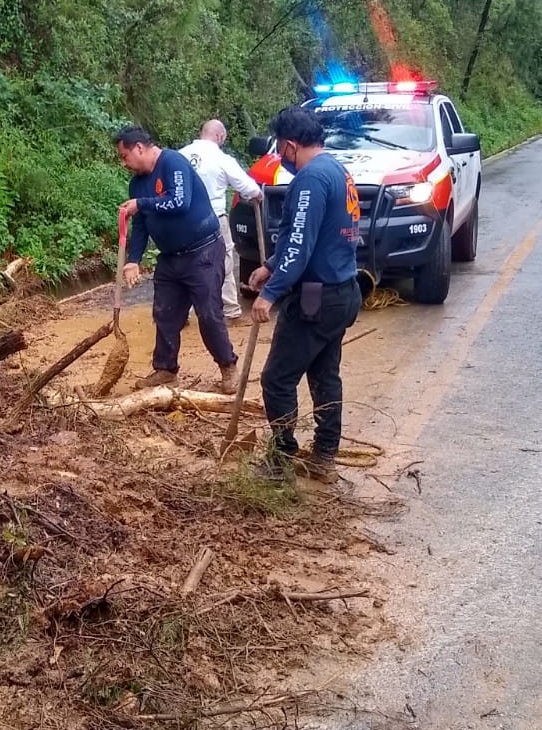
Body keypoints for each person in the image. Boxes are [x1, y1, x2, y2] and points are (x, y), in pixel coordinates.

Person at [247, 106, 361, 478]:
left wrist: (270, 293)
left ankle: (280, 460)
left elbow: (299, 245)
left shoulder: (310, 180)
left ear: (291, 145)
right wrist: (270, 265)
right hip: (344, 289)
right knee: (325, 375)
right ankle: (325, 456)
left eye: (281, 149)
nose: (281, 157)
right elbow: (311, 234)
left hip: (315, 295)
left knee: (277, 378)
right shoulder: (337, 171)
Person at [115, 125, 240, 393]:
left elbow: (179, 202)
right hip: (171, 258)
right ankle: (165, 369)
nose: (124, 163)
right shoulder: (137, 183)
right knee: (165, 314)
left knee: (209, 314)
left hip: (203, 252)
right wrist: (133, 260)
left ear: (139, 148)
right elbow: (141, 226)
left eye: (125, 156)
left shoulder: (173, 162)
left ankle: (228, 366)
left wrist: (142, 204)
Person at [181, 120, 264, 322]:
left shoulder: (180, 155)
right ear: (220, 137)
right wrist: (258, 196)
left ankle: (182, 312)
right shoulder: (221, 158)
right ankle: (230, 310)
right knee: (223, 261)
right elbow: (249, 188)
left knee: (184, 263)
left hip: (182, 221)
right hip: (213, 218)